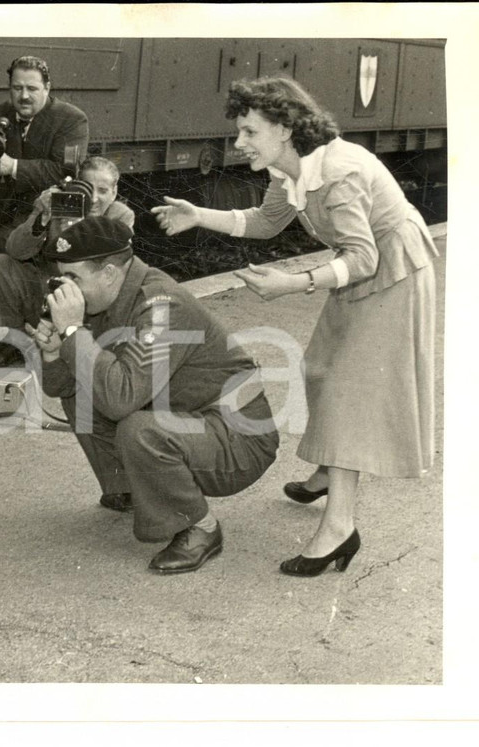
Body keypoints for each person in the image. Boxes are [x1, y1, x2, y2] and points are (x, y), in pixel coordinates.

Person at [150, 76, 439, 577]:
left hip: (394, 273)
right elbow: (264, 222)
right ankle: (331, 469)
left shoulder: (337, 173)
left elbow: (365, 258)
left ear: (284, 129)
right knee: (321, 367)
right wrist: (198, 215)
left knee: (350, 390)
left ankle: (339, 528)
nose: (239, 143)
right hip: (360, 270)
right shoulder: (290, 170)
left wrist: (294, 283)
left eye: (249, 132)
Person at [26, 217, 280, 574]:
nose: (64, 289)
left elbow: (120, 399)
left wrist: (72, 330)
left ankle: (200, 527)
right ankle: (131, 488)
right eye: (61, 277)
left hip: (239, 438)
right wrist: (56, 350)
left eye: (73, 278)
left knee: (138, 427)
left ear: (110, 272)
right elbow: (62, 389)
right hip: (193, 422)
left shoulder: (162, 306)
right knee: (88, 393)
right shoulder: (106, 300)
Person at [0, 156, 135, 367]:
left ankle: (79, 341)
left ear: (114, 193)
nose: (95, 198)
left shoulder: (121, 215)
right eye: (88, 189)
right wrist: (42, 217)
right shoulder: (60, 202)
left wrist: (82, 228)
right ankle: (12, 342)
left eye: (103, 190)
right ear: (76, 186)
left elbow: (110, 268)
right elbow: (15, 249)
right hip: (48, 290)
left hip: (88, 301)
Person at [0, 55, 90, 254]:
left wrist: (12, 166)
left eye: (32, 88)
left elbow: (63, 171)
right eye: (17, 88)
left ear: (47, 88)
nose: (24, 96)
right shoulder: (1, 113)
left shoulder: (72, 119)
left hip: (49, 221)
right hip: (5, 218)